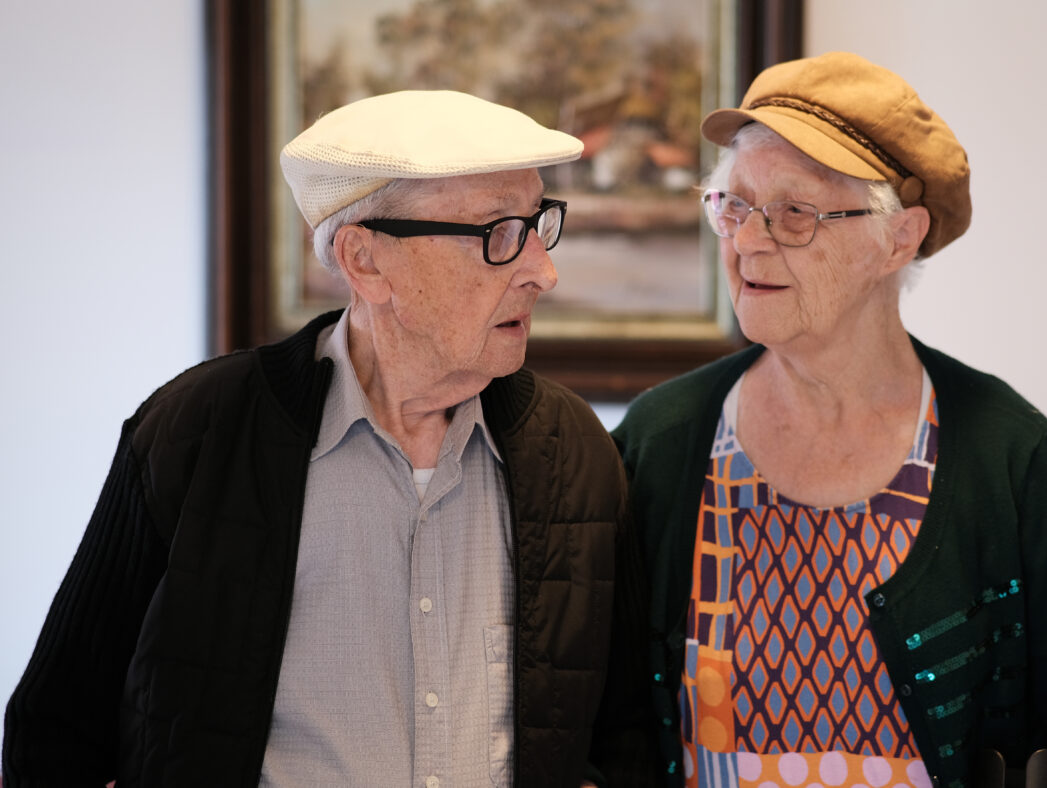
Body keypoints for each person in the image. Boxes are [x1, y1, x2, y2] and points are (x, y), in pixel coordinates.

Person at [3, 90, 651, 787]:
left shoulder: (574, 450)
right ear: (364, 260)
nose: (543, 272)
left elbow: (626, 737)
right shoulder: (196, 432)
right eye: (498, 233)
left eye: (538, 224)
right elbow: (55, 734)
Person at [612, 52, 1047, 787]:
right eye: (733, 206)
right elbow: (605, 727)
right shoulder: (664, 437)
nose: (745, 241)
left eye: (794, 213)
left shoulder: (1005, 450)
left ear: (898, 238)